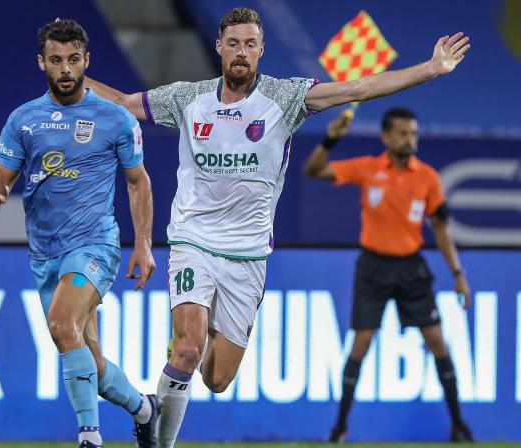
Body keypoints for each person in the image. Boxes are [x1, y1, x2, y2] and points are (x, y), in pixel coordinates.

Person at [83, 6, 471, 446]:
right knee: (188, 347)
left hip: (247, 258)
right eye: (233, 44)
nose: (241, 53)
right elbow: (124, 105)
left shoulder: (284, 98)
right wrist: (74, 78)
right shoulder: (189, 98)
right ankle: (158, 437)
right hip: (193, 242)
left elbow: (358, 87)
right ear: (219, 48)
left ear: (262, 50)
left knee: (217, 379)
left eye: (250, 44)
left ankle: (178, 370)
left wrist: (432, 69)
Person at [0, 19, 161, 448]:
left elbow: (139, 182)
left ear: (86, 61)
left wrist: (144, 244)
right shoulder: (24, 119)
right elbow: (1, 177)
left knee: (61, 323)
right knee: (88, 363)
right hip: (45, 254)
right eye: (56, 60)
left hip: (95, 245)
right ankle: (146, 409)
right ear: (42, 62)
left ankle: (89, 437)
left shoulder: (114, 119)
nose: (65, 69)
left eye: (73, 60)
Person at [303, 107, 474, 442]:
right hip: (373, 267)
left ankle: (458, 425)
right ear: (386, 137)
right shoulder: (368, 169)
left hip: (411, 268)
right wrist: (331, 138)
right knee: (361, 344)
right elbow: (313, 170)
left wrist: (458, 272)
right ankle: (339, 427)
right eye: (402, 133)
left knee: (438, 342)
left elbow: (440, 227)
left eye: (414, 133)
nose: (410, 139)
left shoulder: (427, 177)